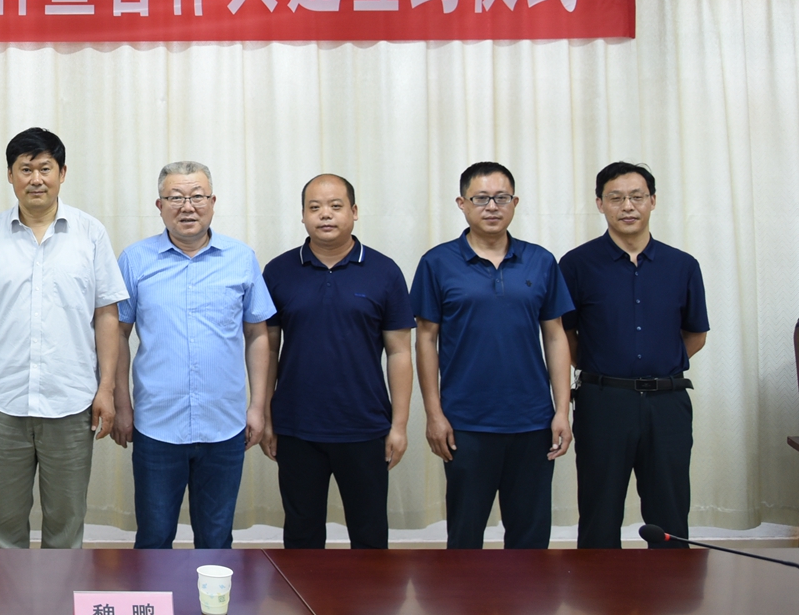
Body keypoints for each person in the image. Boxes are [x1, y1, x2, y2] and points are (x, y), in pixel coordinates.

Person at [0, 127, 126, 550]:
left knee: (66, 522)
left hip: (71, 401)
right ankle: (7, 593)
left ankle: (60, 592)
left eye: (45, 168)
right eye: (25, 169)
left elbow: (106, 315)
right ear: (10, 175)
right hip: (4, 401)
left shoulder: (91, 234)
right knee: (5, 523)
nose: (36, 179)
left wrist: (106, 389)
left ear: (62, 173)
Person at [112, 161, 274, 550]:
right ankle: (155, 595)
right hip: (156, 424)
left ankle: (210, 594)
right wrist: (122, 404)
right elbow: (117, 334)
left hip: (224, 424)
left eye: (197, 196)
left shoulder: (241, 258)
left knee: (216, 539)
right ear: (159, 205)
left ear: (213, 202)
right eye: (175, 197)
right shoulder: (135, 259)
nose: (187, 206)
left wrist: (258, 407)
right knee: (153, 538)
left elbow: (257, 333)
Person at [414, 162, 573, 550]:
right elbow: (425, 340)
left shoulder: (540, 261)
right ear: (462, 204)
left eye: (501, 198)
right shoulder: (437, 263)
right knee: (465, 538)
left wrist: (561, 411)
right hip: (466, 423)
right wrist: (434, 414)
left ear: (515, 203)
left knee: (530, 540)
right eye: (481, 198)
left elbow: (555, 336)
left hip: (532, 422)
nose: (491, 207)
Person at [560, 161, 709, 549]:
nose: (627, 206)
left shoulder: (682, 266)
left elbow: (696, 334)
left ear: (653, 201)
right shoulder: (576, 264)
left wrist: (659, 366)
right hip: (603, 402)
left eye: (637, 196)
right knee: (599, 511)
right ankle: (597, 588)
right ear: (600, 204)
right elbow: (564, 334)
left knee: (670, 514)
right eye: (616, 197)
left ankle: (671, 587)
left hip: (667, 404)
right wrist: (607, 368)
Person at [261, 174, 414, 549]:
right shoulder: (278, 271)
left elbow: (399, 352)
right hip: (296, 426)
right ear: (302, 215)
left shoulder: (384, 271)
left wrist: (399, 425)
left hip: (365, 426)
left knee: (369, 533)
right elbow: (267, 348)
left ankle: (369, 591)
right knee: (302, 533)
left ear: (354, 211)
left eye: (335, 206)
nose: (325, 214)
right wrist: (265, 415)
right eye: (314, 207)